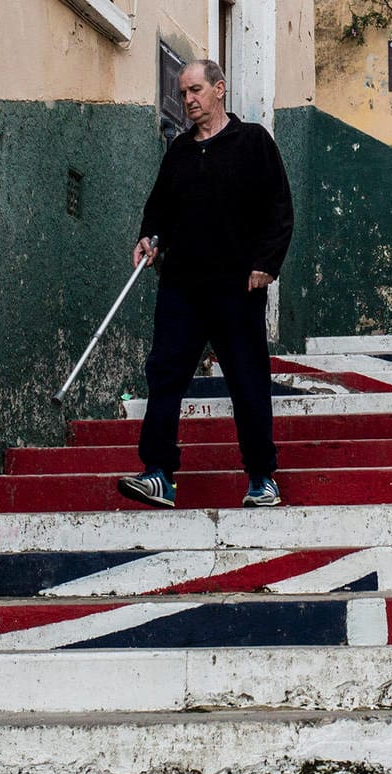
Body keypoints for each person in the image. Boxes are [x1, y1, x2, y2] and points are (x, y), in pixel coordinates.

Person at [117, 59, 294, 510]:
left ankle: (261, 477)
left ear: (219, 89)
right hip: (182, 287)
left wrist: (266, 264)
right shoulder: (178, 152)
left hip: (238, 287)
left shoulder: (253, 142)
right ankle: (158, 474)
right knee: (164, 374)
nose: (189, 100)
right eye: (183, 93)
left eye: (195, 90)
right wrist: (148, 239)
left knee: (247, 380)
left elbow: (279, 209)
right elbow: (157, 210)